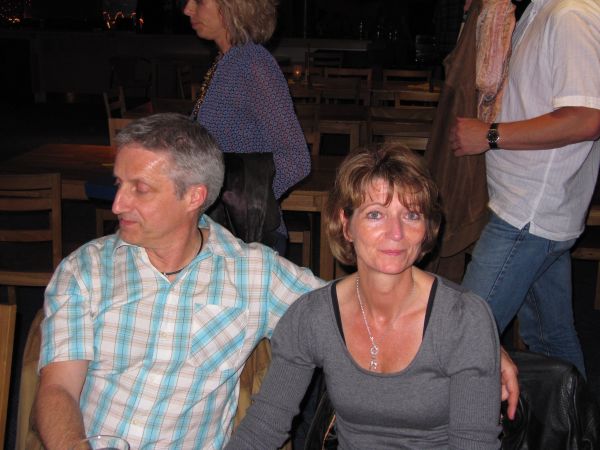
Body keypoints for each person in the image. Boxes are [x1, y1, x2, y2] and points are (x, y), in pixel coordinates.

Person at [32, 113, 323, 450]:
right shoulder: (86, 268)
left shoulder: (254, 273)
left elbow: (351, 315)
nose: (117, 205)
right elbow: (58, 388)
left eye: (140, 189)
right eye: (119, 184)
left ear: (194, 197)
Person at [226, 144, 503, 449]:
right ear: (346, 225)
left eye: (411, 215)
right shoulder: (312, 316)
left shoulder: (463, 319)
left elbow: (474, 443)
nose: (396, 232)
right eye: (375, 214)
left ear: (426, 229)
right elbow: (265, 426)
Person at [450, 0, 600, 377]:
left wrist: (489, 135)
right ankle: (575, 416)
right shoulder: (540, 10)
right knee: (551, 339)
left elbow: (586, 120)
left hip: (528, 216)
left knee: (461, 339)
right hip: (528, 210)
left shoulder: (571, 15)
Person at [183, 0, 311, 254]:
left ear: (233, 6)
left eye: (199, 1)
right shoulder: (228, 60)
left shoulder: (252, 63)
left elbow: (296, 159)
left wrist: (240, 205)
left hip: (246, 240)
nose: (187, 9)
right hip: (222, 232)